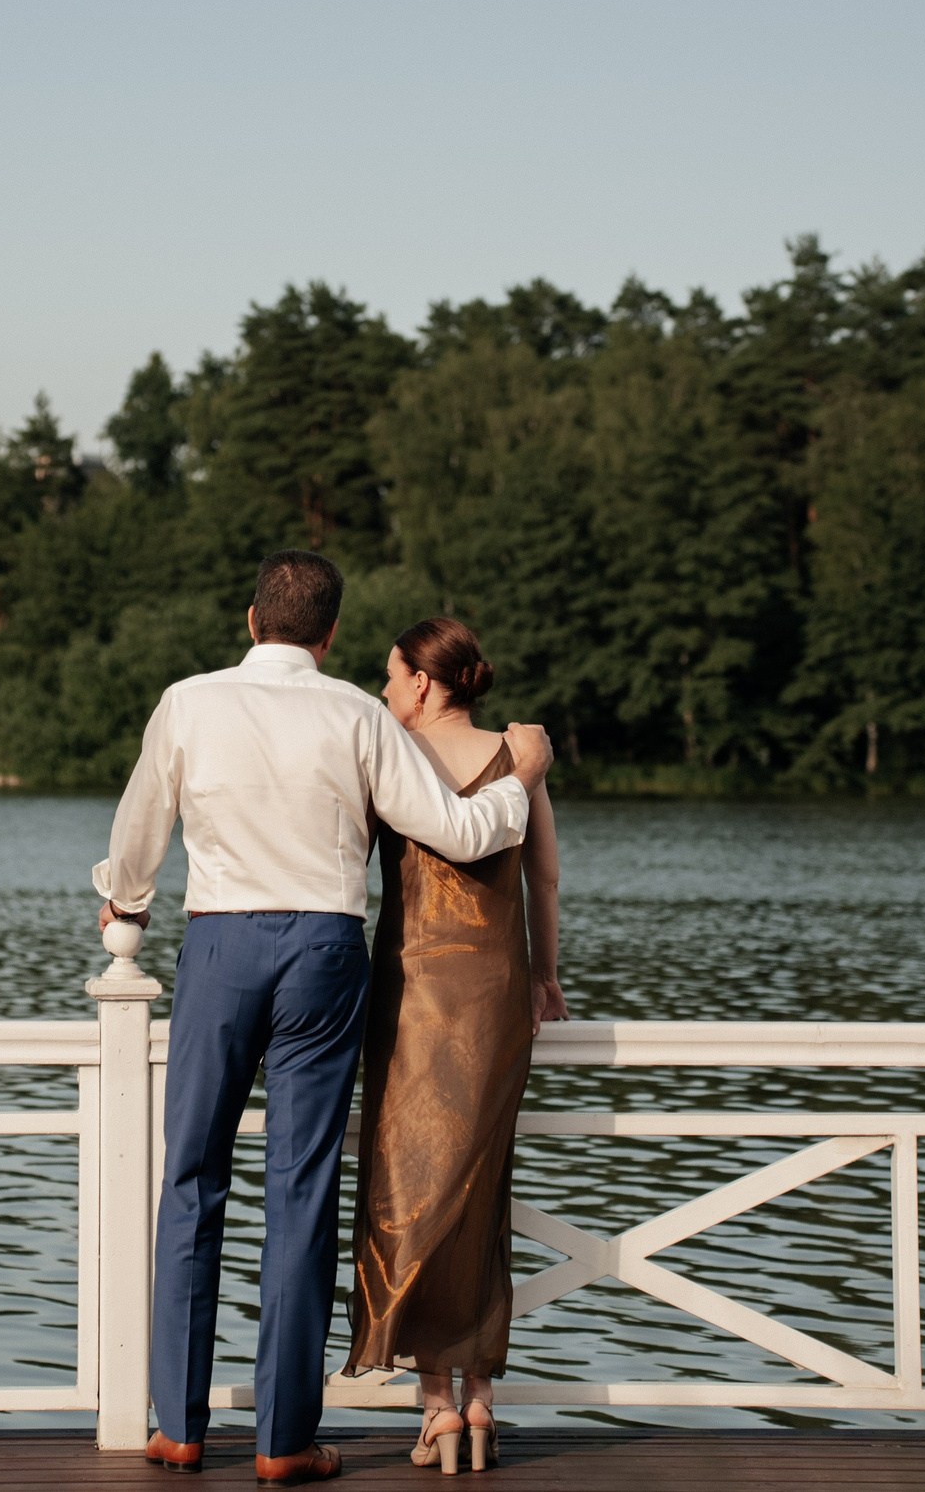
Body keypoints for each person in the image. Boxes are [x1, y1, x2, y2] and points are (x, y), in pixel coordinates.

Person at [94, 551, 554, 1486]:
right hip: (324, 952)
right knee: (299, 1191)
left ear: (251, 619)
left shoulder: (187, 702)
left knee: (190, 1178)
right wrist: (522, 776)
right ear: (331, 634)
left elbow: (139, 833)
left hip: (220, 947)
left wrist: (126, 903)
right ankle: (283, 1443)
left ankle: (180, 1428)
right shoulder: (357, 714)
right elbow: (459, 832)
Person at [341, 618, 563, 1475]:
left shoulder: (388, 759)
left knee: (408, 1187)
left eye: (391, 676)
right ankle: (479, 1398)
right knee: (479, 1188)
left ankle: (437, 1404)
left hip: (412, 994)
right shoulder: (520, 754)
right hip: (497, 990)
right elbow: (544, 875)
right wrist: (546, 977)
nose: (384, 690)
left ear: (424, 684)